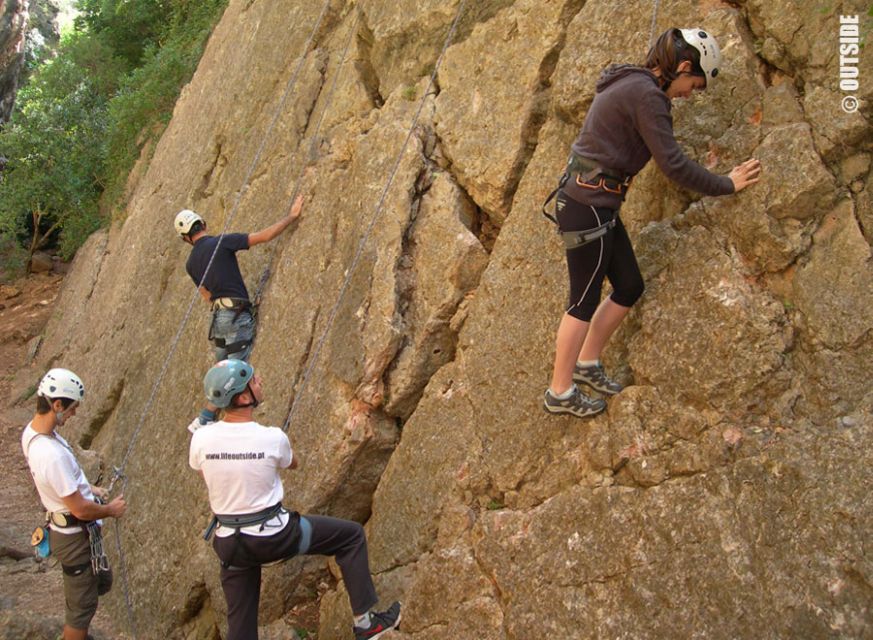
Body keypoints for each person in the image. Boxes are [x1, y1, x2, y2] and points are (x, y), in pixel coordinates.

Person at [543, 27, 762, 418]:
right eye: (693, 84)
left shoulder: (636, 83)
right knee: (583, 299)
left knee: (629, 285)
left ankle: (587, 363)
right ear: (681, 66)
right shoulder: (647, 95)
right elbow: (673, 164)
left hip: (595, 203)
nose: (689, 94)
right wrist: (727, 183)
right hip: (586, 204)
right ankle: (559, 391)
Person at [189, 359, 401, 640]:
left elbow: (205, 467)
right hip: (276, 537)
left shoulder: (202, 439)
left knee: (240, 621)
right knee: (350, 537)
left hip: (230, 543)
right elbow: (294, 463)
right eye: (253, 381)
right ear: (243, 397)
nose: (260, 381)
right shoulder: (271, 438)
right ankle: (366, 624)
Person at [176, 195, 304, 431]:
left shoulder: (190, 263)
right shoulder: (222, 242)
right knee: (235, 372)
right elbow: (264, 236)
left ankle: (211, 422)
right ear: (203, 224)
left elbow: (205, 295)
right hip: (235, 314)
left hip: (218, 319)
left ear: (186, 239)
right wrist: (292, 216)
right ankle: (204, 419)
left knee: (222, 369)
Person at [21, 368, 127, 640]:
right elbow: (79, 509)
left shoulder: (34, 434)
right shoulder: (50, 454)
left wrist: (90, 488)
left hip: (66, 530)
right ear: (57, 405)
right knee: (81, 609)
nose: (74, 414)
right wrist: (110, 510)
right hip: (74, 537)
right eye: (72, 408)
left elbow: (62, 483)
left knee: (85, 599)